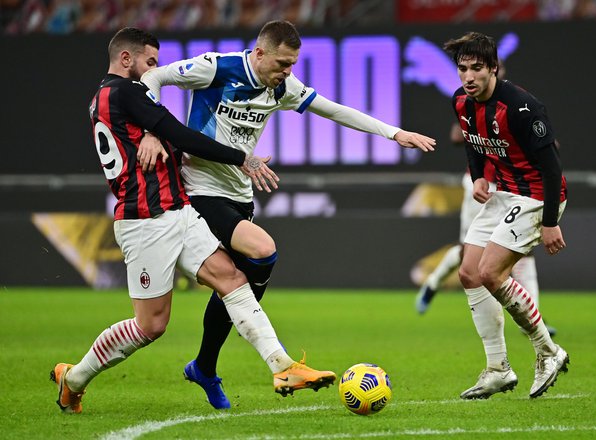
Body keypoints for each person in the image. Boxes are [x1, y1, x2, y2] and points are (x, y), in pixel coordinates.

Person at [139, 19, 436, 409]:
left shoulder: (282, 87)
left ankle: (205, 367)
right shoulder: (217, 67)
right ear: (258, 53)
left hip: (240, 196)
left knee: (237, 285)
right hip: (199, 190)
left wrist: (394, 133)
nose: (287, 72)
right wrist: (153, 130)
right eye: (281, 63)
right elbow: (153, 78)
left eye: (292, 64)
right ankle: (257, 363)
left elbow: (335, 110)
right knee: (262, 250)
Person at [50, 27, 336, 414]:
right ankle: (75, 378)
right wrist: (242, 158)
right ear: (126, 59)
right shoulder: (127, 93)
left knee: (232, 280)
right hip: (144, 220)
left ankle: (282, 366)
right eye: (150, 62)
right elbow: (181, 134)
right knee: (150, 326)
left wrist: (153, 132)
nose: (155, 70)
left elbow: (161, 132)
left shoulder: (103, 99)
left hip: (178, 209)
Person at [443, 31, 569, 400]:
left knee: (489, 273)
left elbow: (552, 169)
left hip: (537, 196)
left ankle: (548, 352)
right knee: (469, 274)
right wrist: (479, 175)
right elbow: (472, 144)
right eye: (463, 69)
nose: (468, 76)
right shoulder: (461, 103)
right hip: (503, 194)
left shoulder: (521, 108)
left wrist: (549, 222)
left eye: (477, 69)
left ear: (494, 69)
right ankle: (498, 368)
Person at [415, 64, 556, 338]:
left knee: (524, 252)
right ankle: (432, 283)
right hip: (480, 185)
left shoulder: (515, 105)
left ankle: (534, 318)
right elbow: (458, 135)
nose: (473, 77)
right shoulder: (472, 104)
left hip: (512, 187)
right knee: (469, 252)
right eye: (467, 70)